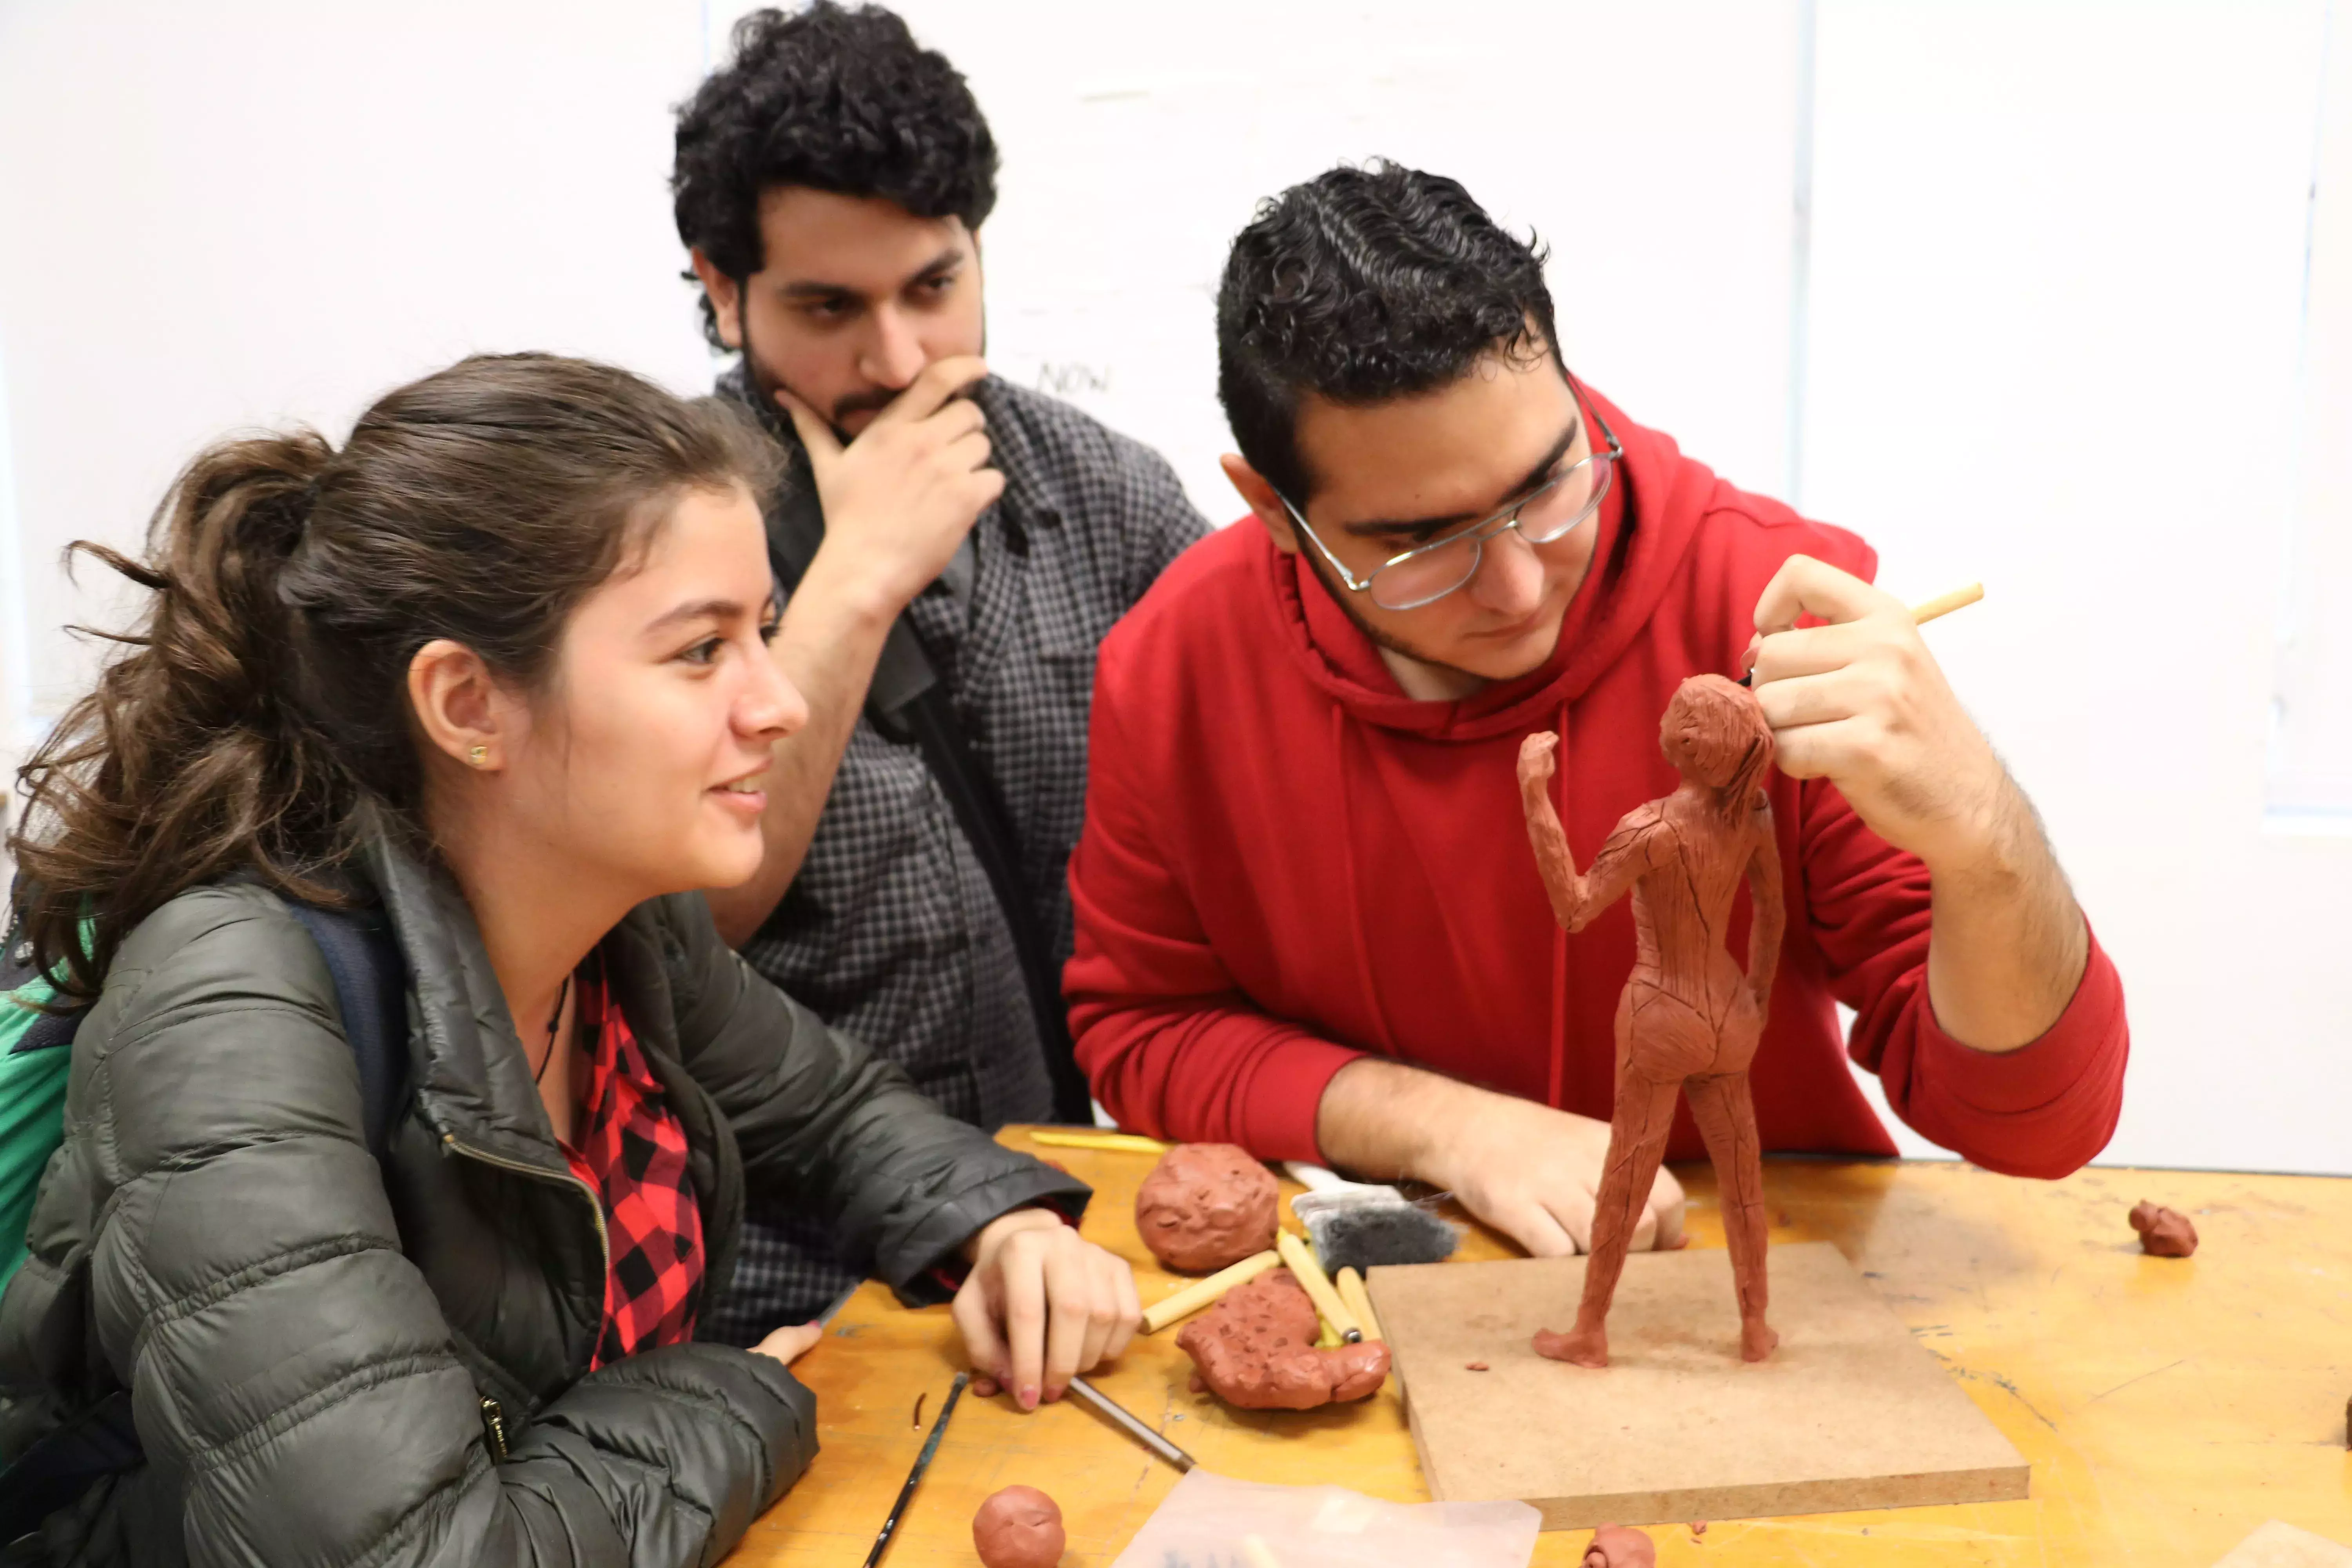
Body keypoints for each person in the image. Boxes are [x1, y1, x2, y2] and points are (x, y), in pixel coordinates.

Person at [0, 354, 1139, 1563]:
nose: (782, 704)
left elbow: (836, 1112)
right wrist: (739, 1393)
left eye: (764, 629)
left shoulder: (619, 926)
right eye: (702, 652)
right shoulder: (235, 1008)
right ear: (469, 706)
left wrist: (1002, 1230)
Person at [1067, 163, 2130, 1261]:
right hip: (1390, 1284)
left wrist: (1987, 834)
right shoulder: (1173, 670)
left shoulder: (1771, 609)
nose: (1520, 588)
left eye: (1546, 486)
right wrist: (1451, 1129)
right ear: (1274, 512)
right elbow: (1144, 1030)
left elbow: (2041, 1128)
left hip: (1745, 1269)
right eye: (1421, 544)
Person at [669, 2, 1208, 1341]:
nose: (898, 359)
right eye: (827, 308)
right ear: (720, 287)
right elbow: (681, 933)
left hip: (1068, 1238)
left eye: (934, 286)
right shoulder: (647, 536)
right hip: (772, 1288)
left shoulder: (1105, 495)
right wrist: (853, 583)